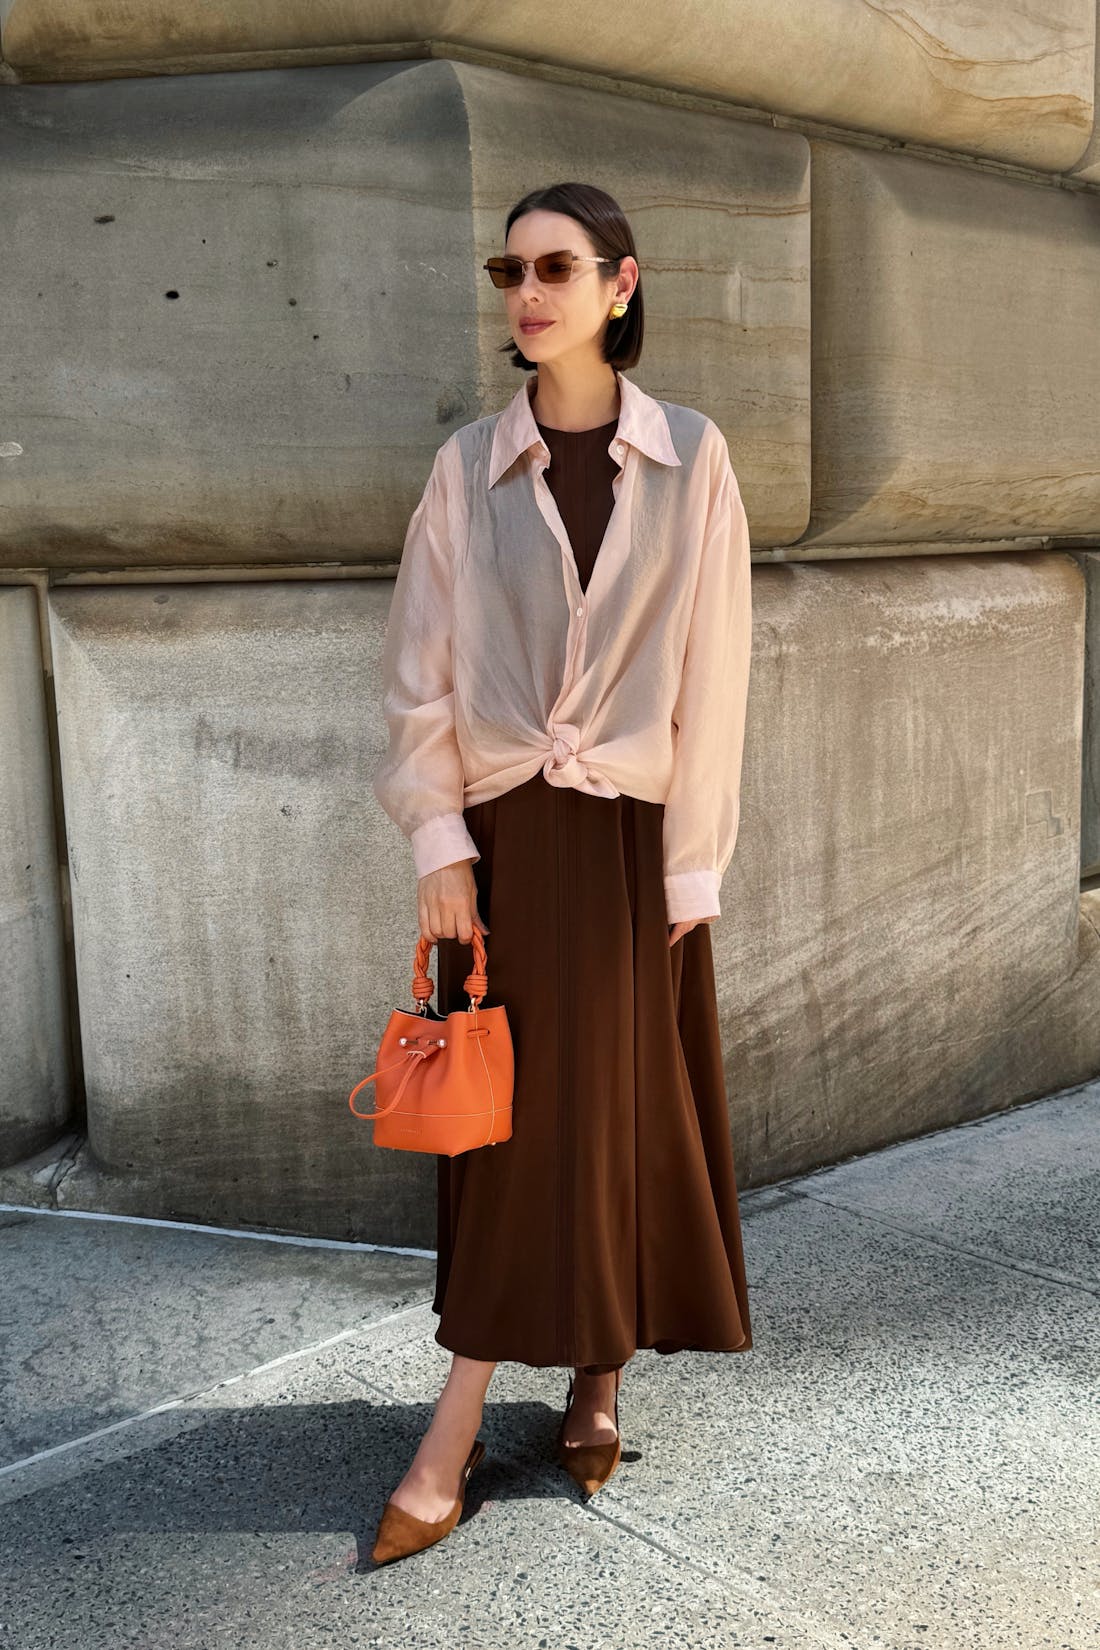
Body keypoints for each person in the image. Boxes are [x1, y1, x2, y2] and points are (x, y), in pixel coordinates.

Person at [369, 180, 754, 1565]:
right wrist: (439, 844)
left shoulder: (692, 457)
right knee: (507, 1126)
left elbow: (716, 683)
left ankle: (574, 1382)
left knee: (614, 1116)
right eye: (508, 270)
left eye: (554, 267)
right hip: (510, 841)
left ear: (620, 285)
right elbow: (419, 669)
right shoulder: (469, 467)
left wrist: (690, 873)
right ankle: (477, 1407)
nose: (525, 293)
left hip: (634, 843)